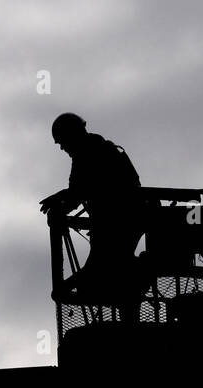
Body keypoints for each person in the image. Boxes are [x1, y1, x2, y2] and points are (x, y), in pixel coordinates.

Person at [40, 113, 144, 318]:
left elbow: (86, 189)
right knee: (105, 281)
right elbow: (80, 189)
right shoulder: (93, 150)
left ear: (72, 135)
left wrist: (61, 202)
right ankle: (131, 302)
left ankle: (143, 270)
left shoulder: (94, 151)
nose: (62, 148)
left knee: (97, 281)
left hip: (118, 224)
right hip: (112, 225)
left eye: (62, 142)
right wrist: (61, 202)